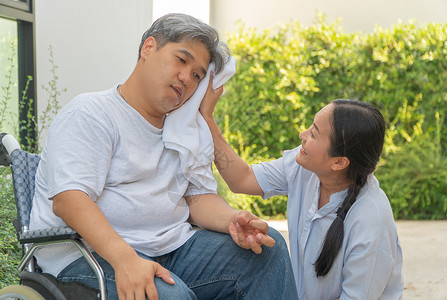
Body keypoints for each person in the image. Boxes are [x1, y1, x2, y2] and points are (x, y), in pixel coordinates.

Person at [30, 13, 297, 300]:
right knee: (171, 295)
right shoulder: (91, 113)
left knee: (268, 250)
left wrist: (234, 219)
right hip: (86, 255)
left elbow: (198, 200)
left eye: (197, 75)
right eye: (181, 60)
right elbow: (69, 201)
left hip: (171, 249)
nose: (186, 78)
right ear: (148, 48)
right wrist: (126, 259)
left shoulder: (183, 130)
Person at [200, 83, 404, 300]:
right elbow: (242, 179)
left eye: (314, 133)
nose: (302, 134)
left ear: (339, 162)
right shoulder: (304, 167)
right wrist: (207, 118)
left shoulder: (371, 221)